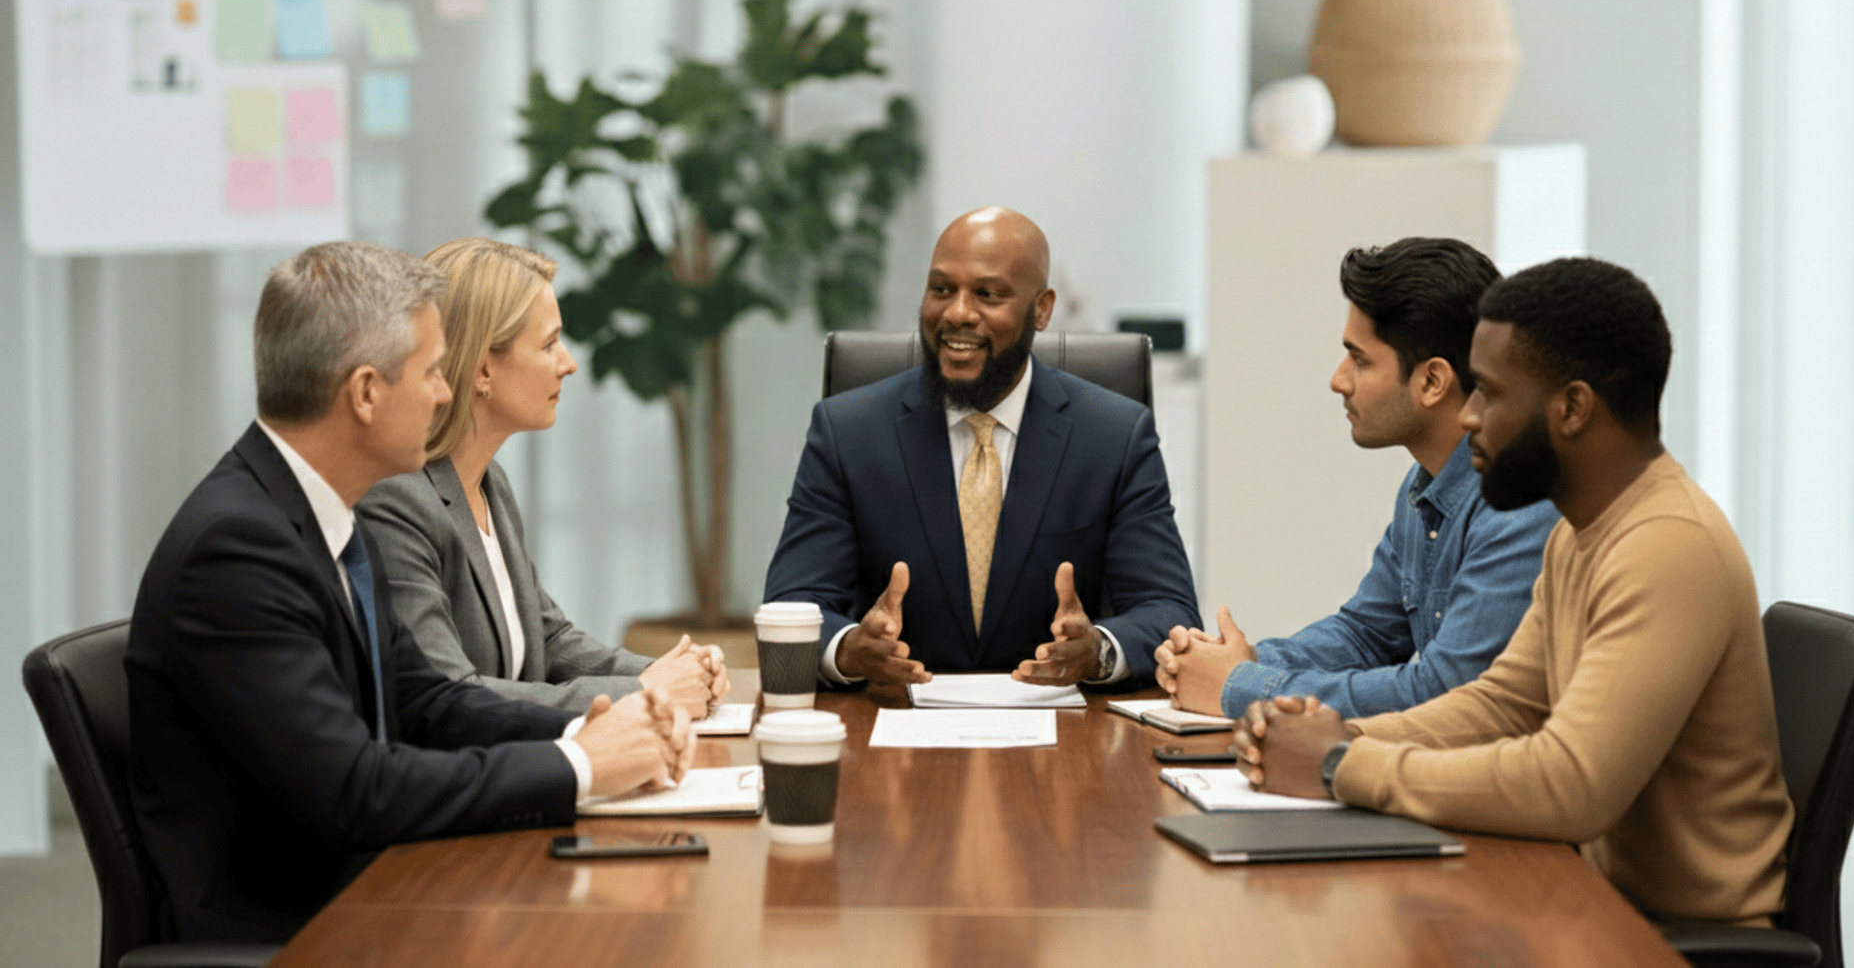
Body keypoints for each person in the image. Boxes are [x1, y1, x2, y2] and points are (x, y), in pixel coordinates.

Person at [126, 242, 697, 943]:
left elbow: (430, 700)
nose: (447, 391)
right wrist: (579, 765)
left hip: (372, 883)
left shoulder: (318, 512)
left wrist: (593, 731)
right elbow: (355, 788)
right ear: (366, 392)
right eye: (431, 370)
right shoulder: (238, 550)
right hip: (295, 926)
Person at [1232, 257, 1793, 926]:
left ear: (1572, 408)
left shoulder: (1667, 546)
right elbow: (1502, 704)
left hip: (1672, 940)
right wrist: (1329, 735)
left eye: (1490, 393)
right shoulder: (1581, 531)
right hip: (1593, 905)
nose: (1468, 415)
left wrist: (1341, 764)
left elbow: (1571, 782)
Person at [762, 206, 1202, 688]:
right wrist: (849, 649)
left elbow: (1170, 612)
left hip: (1064, 734)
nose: (957, 313)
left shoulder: (1115, 436)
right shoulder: (848, 432)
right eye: (941, 289)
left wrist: (1098, 649)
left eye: (988, 294)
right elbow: (792, 607)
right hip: (892, 727)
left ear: (1041, 309)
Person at [1153, 238, 1556, 718]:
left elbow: (1445, 692)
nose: (1338, 380)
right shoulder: (1425, 484)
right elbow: (1366, 633)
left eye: (1360, 359)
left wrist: (1241, 686)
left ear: (1432, 382)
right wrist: (1234, 661)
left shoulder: (1519, 504)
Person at [358, 238, 727, 715]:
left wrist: (668, 672)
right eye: (550, 343)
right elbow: (448, 693)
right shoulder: (396, 501)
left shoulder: (489, 481)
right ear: (484, 369)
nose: (568, 363)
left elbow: (548, 638)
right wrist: (646, 693)